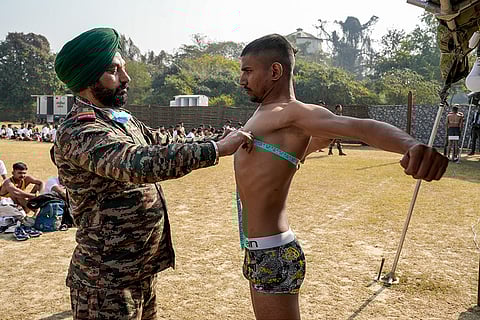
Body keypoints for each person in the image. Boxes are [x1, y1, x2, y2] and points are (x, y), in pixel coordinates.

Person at [234, 34, 449, 320]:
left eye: (248, 71)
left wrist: (410, 146)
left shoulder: (291, 112)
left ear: (275, 71)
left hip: (273, 252)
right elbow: (295, 152)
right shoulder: (264, 116)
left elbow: (361, 127)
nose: (241, 79)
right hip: (258, 250)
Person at [52, 27, 253, 320]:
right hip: (106, 279)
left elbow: (161, 142)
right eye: (113, 71)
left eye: (123, 68)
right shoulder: (79, 130)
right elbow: (137, 163)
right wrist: (215, 149)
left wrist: (220, 136)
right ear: (86, 79)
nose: (125, 78)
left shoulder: (119, 119)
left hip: (139, 268)